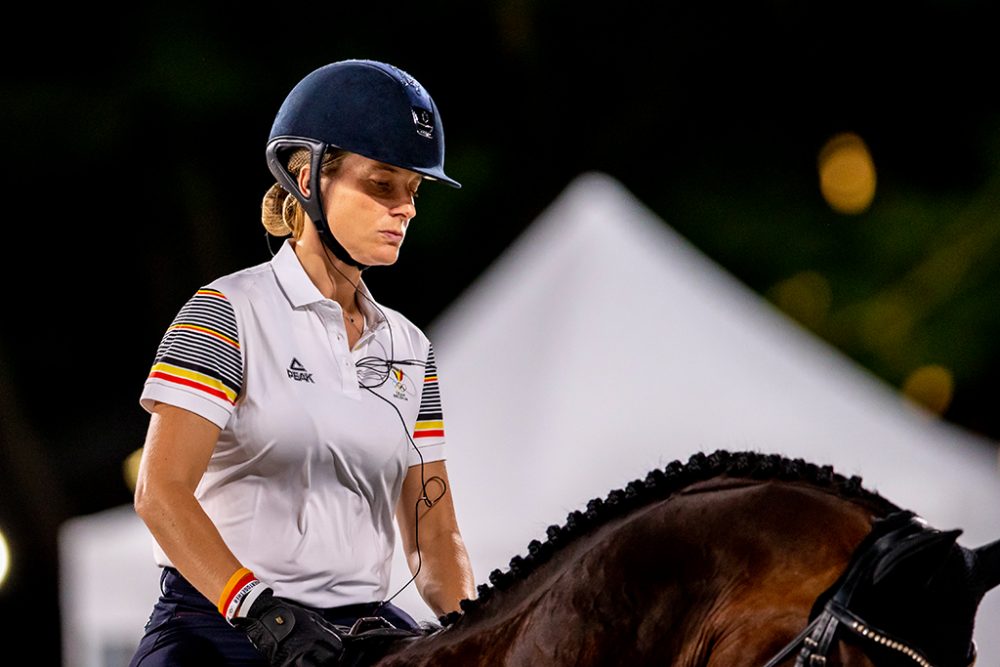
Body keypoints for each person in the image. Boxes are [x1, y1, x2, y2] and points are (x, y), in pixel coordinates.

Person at [128, 59, 476, 667]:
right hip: (219, 624)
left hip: (361, 634)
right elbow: (161, 493)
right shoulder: (225, 312)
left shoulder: (410, 348)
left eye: (413, 192)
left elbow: (435, 535)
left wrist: (477, 629)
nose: (406, 210)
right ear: (309, 178)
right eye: (382, 184)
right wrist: (261, 611)